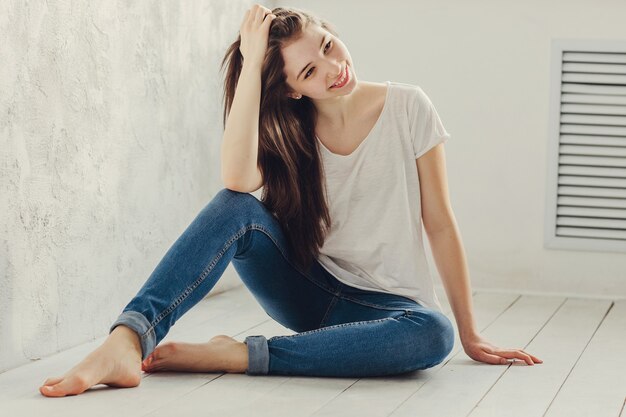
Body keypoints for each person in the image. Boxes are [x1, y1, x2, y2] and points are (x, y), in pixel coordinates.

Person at [39, 4, 542, 398]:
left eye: (327, 46)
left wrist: (471, 333)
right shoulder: (293, 130)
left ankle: (239, 356)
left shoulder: (410, 106)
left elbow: (440, 223)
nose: (332, 68)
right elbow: (236, 180)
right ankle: (126, 341)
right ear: (293, 91)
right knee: (234, 208)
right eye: (308, 71)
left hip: (392, 309)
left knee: (435, 334)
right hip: (309, 293)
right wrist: (255, 62)